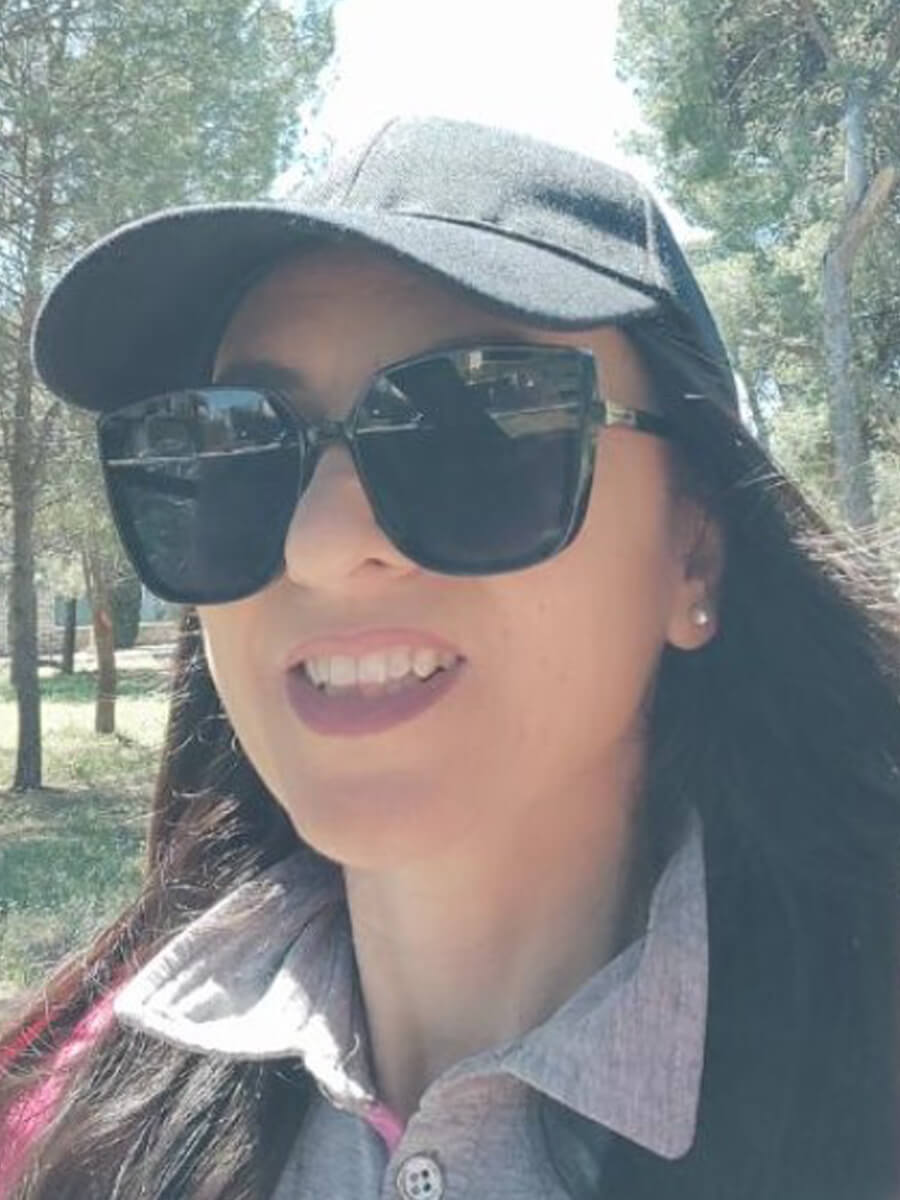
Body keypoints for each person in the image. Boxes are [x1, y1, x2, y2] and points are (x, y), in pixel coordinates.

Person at [1, 117, 898, 1200]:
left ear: (694, 549)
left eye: (475, 427)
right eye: (234, 444)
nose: (319, 545)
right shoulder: (57, 1121)